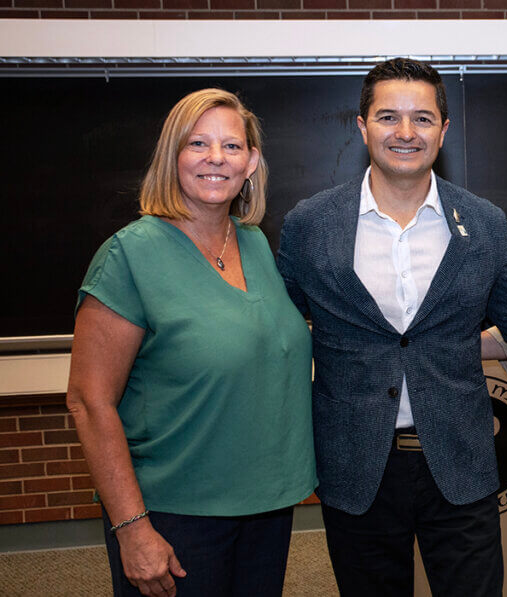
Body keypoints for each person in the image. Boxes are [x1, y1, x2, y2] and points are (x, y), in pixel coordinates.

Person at [276, 58, 507, 597]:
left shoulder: (483, 222)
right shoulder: (311, 224)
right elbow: (277, 327)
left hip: (460, 463)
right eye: (388, 117)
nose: (404, 133)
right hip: (356, 468)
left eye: (422, 118)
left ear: (444, 130)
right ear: (361, 126)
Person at [66, 88, 316, 597]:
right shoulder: (129, 257)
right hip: (174, 516)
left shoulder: (255, 245)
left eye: (232, 146)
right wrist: (133, 529)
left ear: (251, 162)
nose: (216, 159)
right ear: (172, 157)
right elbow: (90, 403)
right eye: (198, 144)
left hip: (266, 509)